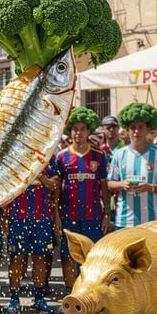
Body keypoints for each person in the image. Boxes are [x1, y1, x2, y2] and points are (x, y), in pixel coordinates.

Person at [55, 106, 110, 294]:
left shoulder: (99, 156)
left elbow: (104, 188)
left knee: (92, 255)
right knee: (68, 255)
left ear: (89, 131)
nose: (78, 133)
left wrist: (107, 215)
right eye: (75, 128)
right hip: (68, 215)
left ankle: (90, 293)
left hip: (93, 215)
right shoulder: (61, 157)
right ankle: (71, 293)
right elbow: (56, 190)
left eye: (83, 129)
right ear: (70, 131)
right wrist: (56, 215)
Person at [5, 159, 59, 314]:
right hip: (18, 216)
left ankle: (39, 298)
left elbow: (56, 186)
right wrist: (5, 216)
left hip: (41, 217)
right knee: (16, 258)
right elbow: (6, 187)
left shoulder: (48, 157)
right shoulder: (16, 158)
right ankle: (14, 300)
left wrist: (41, 177)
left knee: (40, 258)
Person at [108, 104, 157, 229]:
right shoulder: (119, 154)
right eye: (132, 128)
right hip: (124, 221)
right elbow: (109, 183)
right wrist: (122, 185)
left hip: (152, 221)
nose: (136, 131)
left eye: (140, 127)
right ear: (127, 131)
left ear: (148, 129)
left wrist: (149, 187)